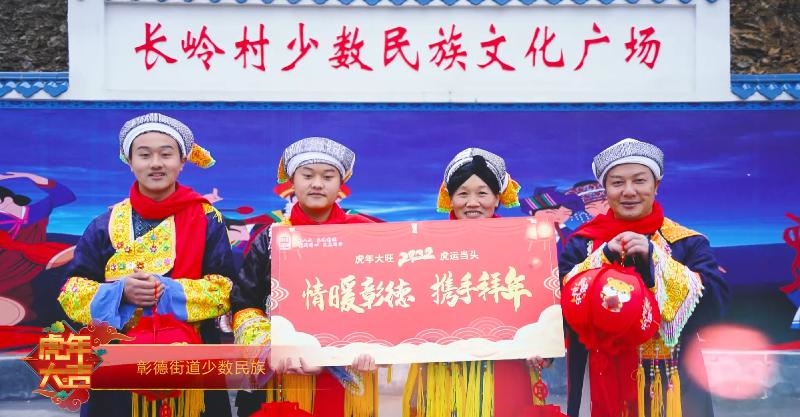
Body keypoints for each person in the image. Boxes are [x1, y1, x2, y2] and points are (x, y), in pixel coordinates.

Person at [57, 113, 235, 417]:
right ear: (129, 162)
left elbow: (225, 290)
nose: (156, 163)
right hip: (117, 365)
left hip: (188, 359)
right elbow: (71, 292)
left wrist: (165, 290)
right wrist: (120, 293)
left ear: (182, 161)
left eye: (166, 154)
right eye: (144, 154)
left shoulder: (207, 220)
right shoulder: (104, 224)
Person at [559, 138, 729, 417]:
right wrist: (603, 257)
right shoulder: (582, 245)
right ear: (605, 190)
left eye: (639, 181)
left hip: (669, 381)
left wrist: (655, 261)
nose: (629, 191)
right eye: (617, 183)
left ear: (656, 185)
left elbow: (715, 306)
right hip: (598, 376)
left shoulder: (687, 243)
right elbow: (559, 303)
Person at [231, 136, 378, 417]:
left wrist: (374, 346)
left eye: (328, 176)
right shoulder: (269, 238)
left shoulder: (364, 235)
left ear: (341, 183)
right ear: (292, 182)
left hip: (349, 372)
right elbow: (244, 304)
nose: (317, 184)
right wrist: (272, 349)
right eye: (307, 176)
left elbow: (384, 299)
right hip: (282, 375)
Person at [403, 147, 552, 417]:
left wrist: (543, 346)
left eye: (482, 193)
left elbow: (542, 300)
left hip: (506, 368)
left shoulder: (525, 243)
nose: (472, 203)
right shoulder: (425, 247)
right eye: (463, 193)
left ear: (497, 198)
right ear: (449, 198)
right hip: (442, 371)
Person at [1, 172, 76, 323]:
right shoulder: (2, 219)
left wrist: (29, 176)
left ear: (8, 200)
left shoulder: (36, 211)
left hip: (30, 265)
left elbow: (66, 195)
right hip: (6, 266)